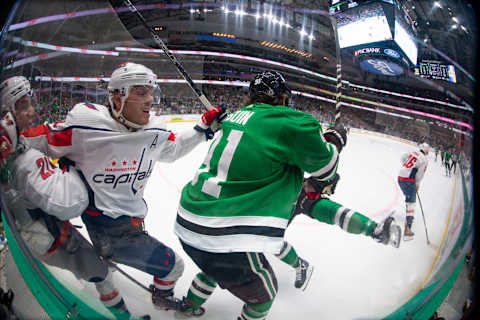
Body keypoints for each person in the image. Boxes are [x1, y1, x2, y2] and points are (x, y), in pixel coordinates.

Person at [173, 71, 401, 319]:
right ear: (282, 99)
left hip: (190, 217)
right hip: (231, 222)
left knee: (218, 266)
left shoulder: (233, 118)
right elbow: (326, 171)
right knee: (264, 291)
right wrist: (334, 141)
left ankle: (189, 307)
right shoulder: (289, 124)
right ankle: (313, 258)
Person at [21, 63, 226, 311]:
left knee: (114, 268)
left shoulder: (155, 130)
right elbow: (38, 140)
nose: (150, 100)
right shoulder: (86, 126)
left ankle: (111, 275)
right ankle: (161, 299)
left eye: (151, 92)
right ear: (117, 97)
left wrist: (202, 128)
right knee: (175, 267)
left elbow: (171, 152)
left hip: (129, 223)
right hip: (110, 232)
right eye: (141, 92)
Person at [0, 76, 143, 318]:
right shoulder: (23, 164)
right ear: (7, 113)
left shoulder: (18, 149)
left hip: (47, 230)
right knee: (101, 273)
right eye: (23, 106)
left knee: (99, 270)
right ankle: (124, 317)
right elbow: (70, 204)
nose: (31, 112)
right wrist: (74, 171)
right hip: (51, 238)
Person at [397, 142, 429, 241]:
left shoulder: (413, 151)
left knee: (409, 197)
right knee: (411, 203)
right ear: (426, 152)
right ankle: (407, 230)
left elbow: (402, 157)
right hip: (409, 180)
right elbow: (420, 174)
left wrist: (406, 167)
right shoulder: (424, 160)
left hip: (400, 177)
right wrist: (417, 185)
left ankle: (409, 216)